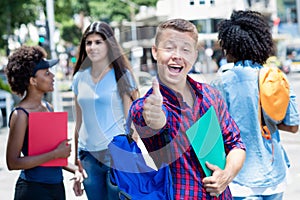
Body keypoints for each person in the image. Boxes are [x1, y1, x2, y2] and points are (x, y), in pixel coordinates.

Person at [128, 18, 246, 199]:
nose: (177, 55)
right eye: (169, 48)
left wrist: (226, 175)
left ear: (194, 55)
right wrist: (155, 115)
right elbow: (156, 121)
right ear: (155, 52)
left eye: (185, 49)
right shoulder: (144, 106)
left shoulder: (211, 95)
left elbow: (236, 143)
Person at [211, 10, 300, 199]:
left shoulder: (223, 81)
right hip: (275, 176)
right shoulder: (276, 77)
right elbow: (293, 127)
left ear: (230, 46)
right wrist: (266, 121)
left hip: (239, 179)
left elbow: (212, 132)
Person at [5, 45, 84, 200]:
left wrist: (76, 169)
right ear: (32, 80)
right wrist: (56, 153)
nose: (53, 76)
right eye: (47, 73)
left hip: (56, 188)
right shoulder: (20, 114)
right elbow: (12, 162)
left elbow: (53, 156)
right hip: (33, 190)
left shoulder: (48, 107)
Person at [71, 21, 139, 199]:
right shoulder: (79, 78)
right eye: (89, 42)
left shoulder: (122, 76)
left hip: (115, 155)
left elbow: (132, 123)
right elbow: (79, 123)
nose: (92, 47)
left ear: (109, 44)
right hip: (87, 157)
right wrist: (75, 162)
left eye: (98, 42)